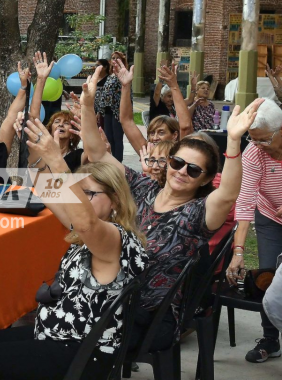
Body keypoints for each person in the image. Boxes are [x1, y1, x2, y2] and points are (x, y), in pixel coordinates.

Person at [82, 64, 261, 352]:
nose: (181, 172)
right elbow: (99, 153)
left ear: (204, 179)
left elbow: (228, 194)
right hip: (109, 300)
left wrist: (234, 141)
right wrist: (88, 105)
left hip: (148, 317)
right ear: (168, 161)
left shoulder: (197, 213)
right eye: (177, 163)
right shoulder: (142, 187)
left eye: (193, 170)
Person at [0, 117, 148, 379]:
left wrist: (58, 162)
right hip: (63, 333)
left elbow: (85, 222)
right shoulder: (92, 230)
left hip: (83, 352)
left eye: (87, 194)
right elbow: (46, 189)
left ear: (115, 200)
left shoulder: (114, 237)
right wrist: (41, 153)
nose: (75, 200)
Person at [225, 99, 282, 364]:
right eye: (253, 139)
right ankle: (270, 339)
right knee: (268, 276)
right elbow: (245, 202)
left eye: (264, 139)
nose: (258, 145)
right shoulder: (254, 154)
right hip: (269, 217)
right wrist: (238, 251)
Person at [114, 59, 191, 156]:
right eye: (152, 133)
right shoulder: (147, 151)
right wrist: (125, 86)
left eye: (161, 133)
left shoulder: (179, 153)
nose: (155, 138)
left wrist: (174, 86)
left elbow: (185, 127)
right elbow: (126, 121)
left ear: (175, 135)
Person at [94, 58, 126, 161]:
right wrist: (99, 110)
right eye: (113, 58)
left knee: (117, 138)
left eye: (117, 58)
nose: (114, 60)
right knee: (108, 137)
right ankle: (111, 159)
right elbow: (104, 94)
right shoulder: (110, 76)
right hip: (106, 111)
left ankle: (118, 161)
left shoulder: (122, 76)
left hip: (117, 110)